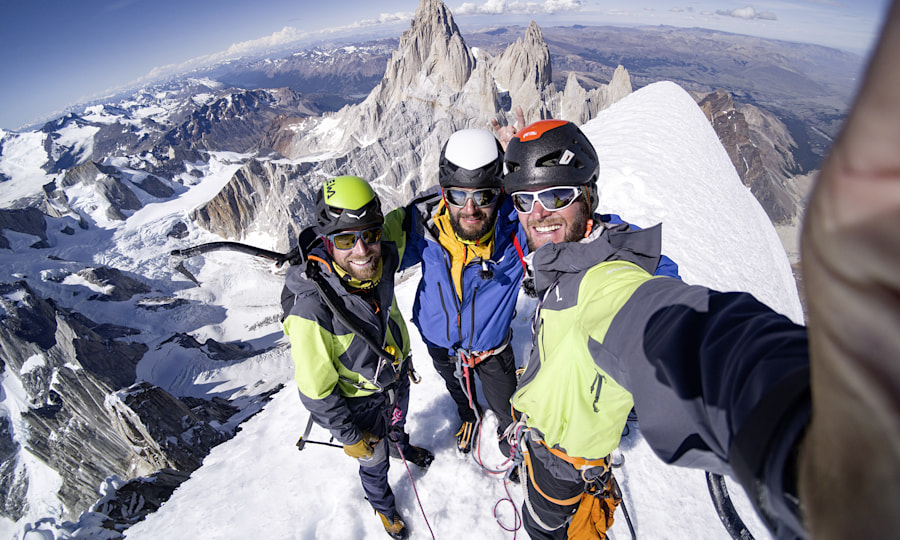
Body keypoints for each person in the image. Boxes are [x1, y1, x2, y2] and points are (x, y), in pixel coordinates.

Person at [503, 119, 810, 539]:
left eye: (557, 195)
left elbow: (668, 327)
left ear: (588, 198)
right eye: (524, 199)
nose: (538, 214)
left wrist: (781, 405)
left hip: (560, 468)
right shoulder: (583, 248)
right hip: (557, 446)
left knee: (544, 530)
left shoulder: (603, 284)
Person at [281, 175, 433, 540]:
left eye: (369, 234)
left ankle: (400, 445)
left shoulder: (380, 260)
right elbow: (316, 391)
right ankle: (383, 507)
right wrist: (349, 436)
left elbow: (407, 218)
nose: (362, 250)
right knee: (372, 459)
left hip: (394, 376)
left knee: (395, 425)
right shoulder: (312, 311)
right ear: (327, 243)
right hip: (359, 405)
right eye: (346, 240)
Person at [384, 128, 522, 457]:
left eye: (484, 196)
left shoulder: (518, 227)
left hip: (491, 348)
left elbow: (580, 230)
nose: (470, 209)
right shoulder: (424, 224)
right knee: (457, 389)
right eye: (458, 196)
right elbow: (373, 248)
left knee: (507, 404)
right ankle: (468, 415)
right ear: (444, 193)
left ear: (500, 192)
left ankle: (511, 436)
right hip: (439, 340)